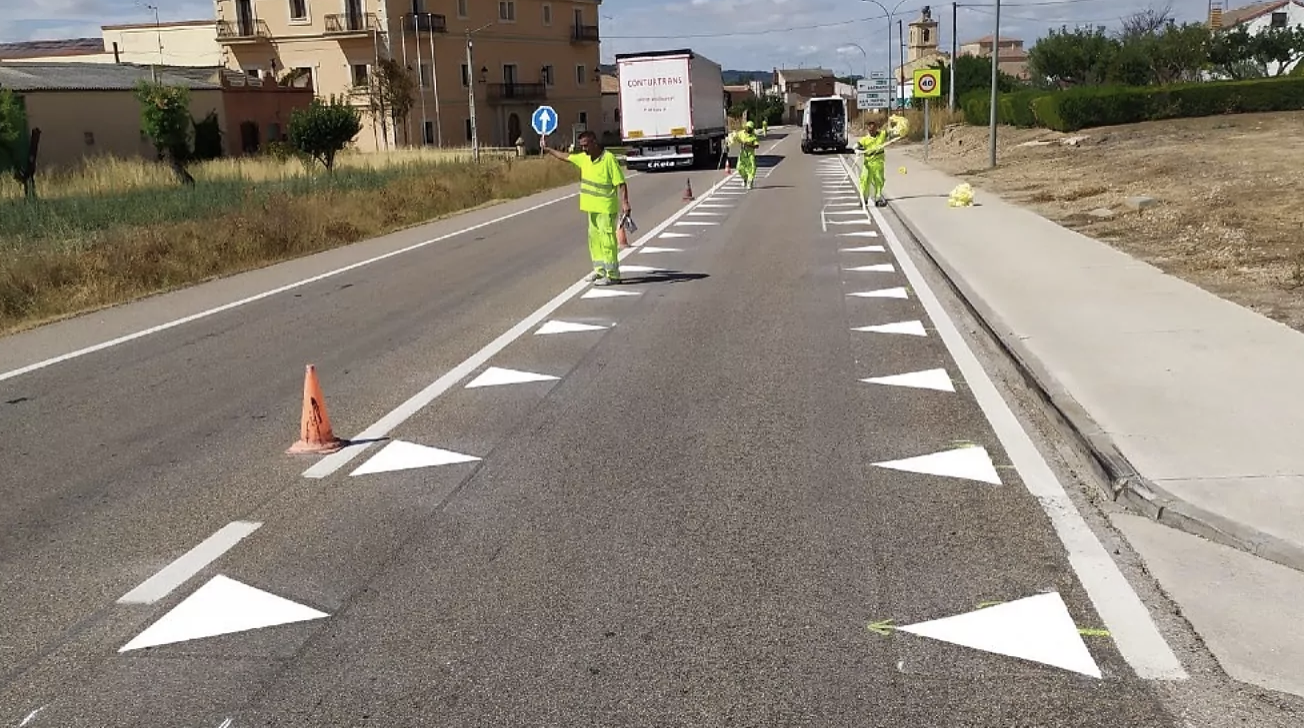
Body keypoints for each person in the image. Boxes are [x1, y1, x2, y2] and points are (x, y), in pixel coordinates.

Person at [541, 130, 632, 286]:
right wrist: (548, 149)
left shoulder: (608, 159)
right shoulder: (584, 159)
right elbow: (565, 157)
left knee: (607, 240)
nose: (583, 149)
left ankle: (613, 275)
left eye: (586, 145)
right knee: (594, 240)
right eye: (581, 146)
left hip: (605, 208)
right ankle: (599, 270)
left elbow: (621, 183)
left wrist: (625, 203)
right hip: (592, 208)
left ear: (594, 142)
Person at [856, 119, 889, 207]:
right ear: (868, 129)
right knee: (865, 180)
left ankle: (878, 199)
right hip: (868, 164)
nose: (871, 130)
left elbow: (891, 133)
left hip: (878, 163)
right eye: (870, 129)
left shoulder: (881, 135)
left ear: (876, 128)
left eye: (873, 128)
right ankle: (864, 198)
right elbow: (857, 145)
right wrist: (857, 150)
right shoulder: (865, 139)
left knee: (879, 181)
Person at [729, 120, 761, 190]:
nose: (748, 129)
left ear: (752, 129)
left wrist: (749, 145)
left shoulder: (753, 136)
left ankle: (750, 181)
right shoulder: (742, 133)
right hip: (742, 154)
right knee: (739, 168)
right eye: (747, 127)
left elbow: (757, 146)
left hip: (750, 155)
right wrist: (732, 137)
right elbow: (736, 137)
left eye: (749, 128)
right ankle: (745, 179)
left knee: (752, 168)